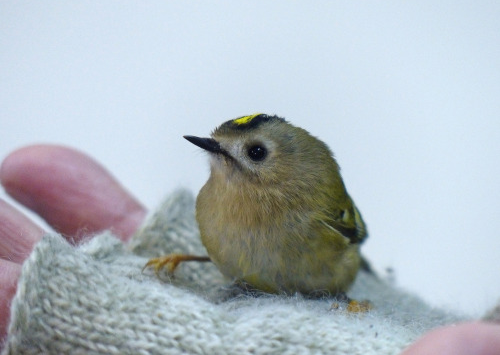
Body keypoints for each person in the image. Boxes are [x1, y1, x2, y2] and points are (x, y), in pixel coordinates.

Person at [0, 145, 499, 354]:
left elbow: (353, 236)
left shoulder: (318, 204)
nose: (224, 157)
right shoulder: (214, 202)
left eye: (253, 152)